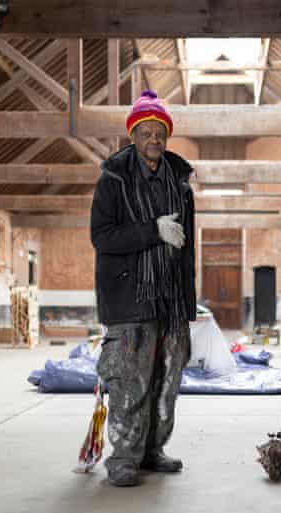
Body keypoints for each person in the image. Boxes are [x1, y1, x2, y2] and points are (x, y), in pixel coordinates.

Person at [90, 90, 196, 487]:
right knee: (129, 380)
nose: (154, 140)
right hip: (129, 299)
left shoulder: (180, 185)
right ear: (133, 136)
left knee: (166, 382)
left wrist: (188, 302)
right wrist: (153, 231)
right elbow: (102, 238)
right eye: (146, 132)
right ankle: (123, 457)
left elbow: (187, 248)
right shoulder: (113, 181)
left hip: (169, 299)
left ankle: (153, 450)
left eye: (160, 133)